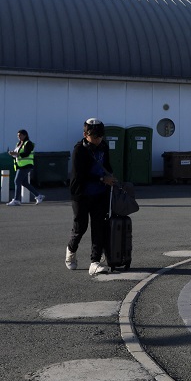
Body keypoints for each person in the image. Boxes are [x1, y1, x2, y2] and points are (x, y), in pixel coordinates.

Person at [65, 118, 117, 275]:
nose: (98, 139)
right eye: (94, 136)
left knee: (98, 227)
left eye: (100, 136)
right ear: (85, 134)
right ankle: (71, 251)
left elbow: (107, 166)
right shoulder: (79, 150)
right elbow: (79, 176)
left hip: (100, 194)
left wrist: (111, 177)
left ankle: (95, 262)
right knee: (80, 227)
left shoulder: (103, 147)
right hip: (81, 194)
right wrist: (101, 179)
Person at [7, 129, 46, 206]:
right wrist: (12, 154)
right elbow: (17, 154)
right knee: (24, 183)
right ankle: (38, 196)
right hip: (20, 165)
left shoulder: (28, 143)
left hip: (26, 165)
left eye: (20, 135)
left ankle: (16, 200)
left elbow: (26, 153)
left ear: (25, 135)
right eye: (18, 135)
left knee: (17, 181)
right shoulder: (18, 143)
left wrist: (16, 154)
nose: (19, 137)